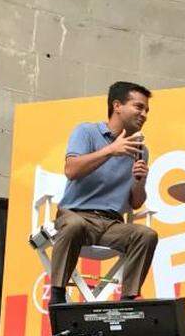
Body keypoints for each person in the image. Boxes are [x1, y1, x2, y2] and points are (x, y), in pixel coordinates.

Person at [48, 81, 158, 305]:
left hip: (112, 224)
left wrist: (139, 181)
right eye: (139, 107)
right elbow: (71, 170)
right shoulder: (87, 132)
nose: (144, 114)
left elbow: (136, 203)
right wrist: (110, 150)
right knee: (74, 226)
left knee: (146, 235)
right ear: (117, 106)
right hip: (76, 216)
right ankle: (58, 296)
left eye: (146, 110)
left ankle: (128, 300)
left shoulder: (140, 150)